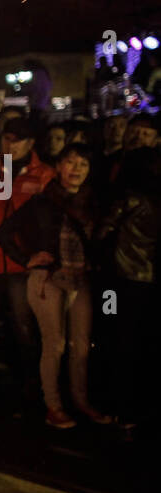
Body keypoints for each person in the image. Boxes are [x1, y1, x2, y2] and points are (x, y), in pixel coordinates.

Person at [0, 143, 111, 428]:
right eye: (71, 163)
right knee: (54, 343)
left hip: (80, 279)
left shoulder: (94, 203)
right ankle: (53, 405)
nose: (76, 170)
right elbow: (4, 233)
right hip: (47, 279)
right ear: (58, 167)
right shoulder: (42, 202)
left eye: (83, 164)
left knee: (80, 344)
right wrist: (27, 258)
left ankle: (81, 402)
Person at [0, 115, 54, 393]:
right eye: (8, 139)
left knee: (24, 326)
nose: (12, 146)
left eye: (18, 141)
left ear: (31, 143)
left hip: (23, 264)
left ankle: (29, 380)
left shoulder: (44, 175)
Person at [93, 147, 158, 431]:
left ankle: (115, 404)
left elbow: (102, 232)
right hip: (147, 282)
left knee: (117, 338)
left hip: (118, 281)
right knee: (140, 342)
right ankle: (136, 407)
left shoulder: (128, 198)